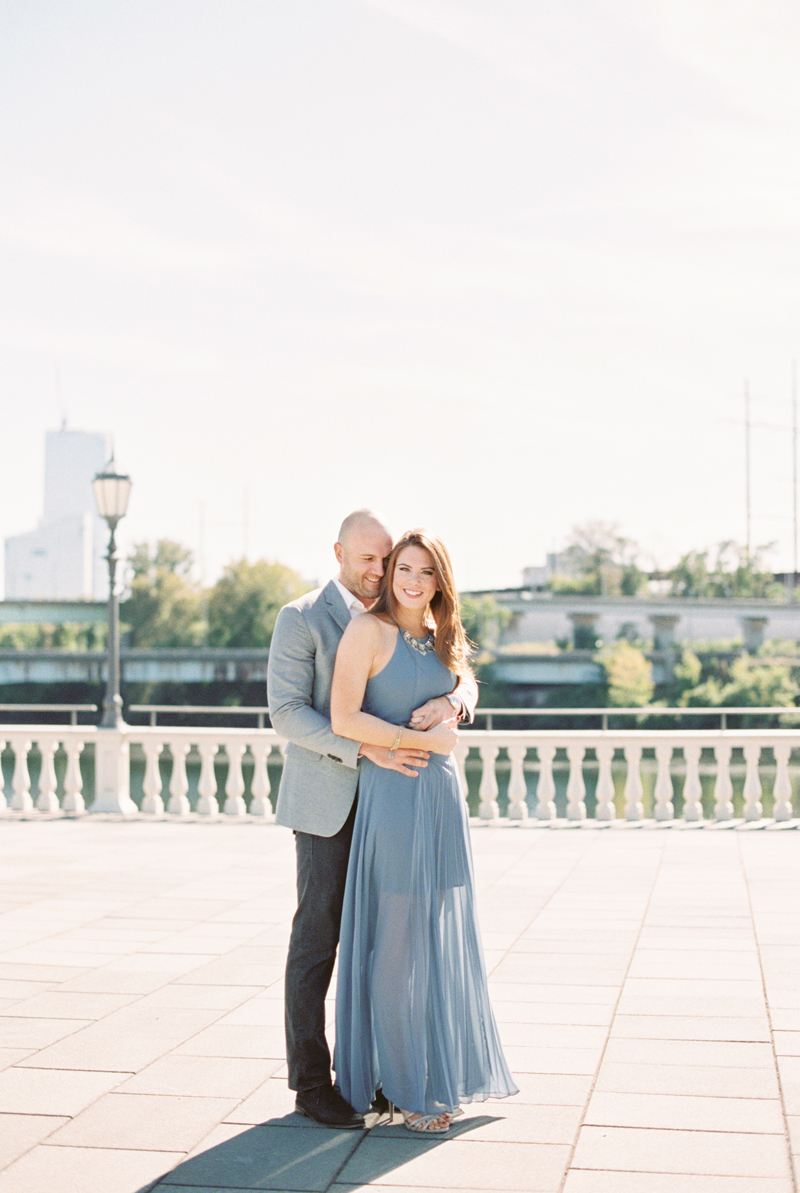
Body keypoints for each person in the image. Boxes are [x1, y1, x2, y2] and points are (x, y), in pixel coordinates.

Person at [268, 510, 477, 1130]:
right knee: (321, 938)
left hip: (400, 800)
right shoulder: (302, 617)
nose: (379, 569)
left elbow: (454, 666)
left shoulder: (409, 615)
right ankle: (312, 1082)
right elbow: (286, 712)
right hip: (332, 801)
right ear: (338, 553)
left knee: (393, 939)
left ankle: (387, 1072)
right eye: (368, 558)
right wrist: (368, 747)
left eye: (385, 558)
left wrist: (456, 699)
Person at [330, 529, 517, 1134]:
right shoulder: (368, 631)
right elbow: (342, 716)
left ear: (440, 581)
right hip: (397, 797)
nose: (412, 580)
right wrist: (423, 738)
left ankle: (438, 1072)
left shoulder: (439, 635)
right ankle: (406, 1092)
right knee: (399, 944)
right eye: (403, 569)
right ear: (389, 574)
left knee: (436, 939)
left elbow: (466, 681)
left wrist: (454, 701)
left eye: (425, 572)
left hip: (442, 800)